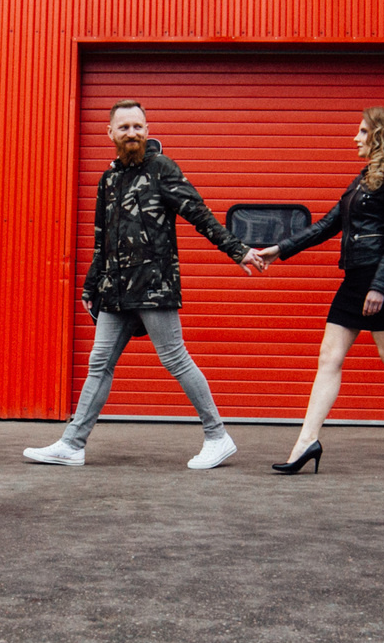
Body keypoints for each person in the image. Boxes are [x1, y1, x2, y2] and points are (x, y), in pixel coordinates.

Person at [24, 100, 253, 470]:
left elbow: (198, 212)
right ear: (111, 134)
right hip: (115, 291)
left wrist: (237, 250)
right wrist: (90, 286)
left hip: (153, 284)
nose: (133, 133)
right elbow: (103, 239)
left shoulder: (162, 169)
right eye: (125, 127)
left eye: (138, 127)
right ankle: (72, 444)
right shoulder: (109, 180)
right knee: (99, 363)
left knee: (175, 358)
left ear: (147, 130)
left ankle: (217, 436)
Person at [241, 106, 384, 476]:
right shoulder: (364, 178)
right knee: (329, 358)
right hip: (355, 278)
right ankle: (306, 442)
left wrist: (380, 286)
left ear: (382, 135)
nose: (356, 138)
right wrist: (280, 250)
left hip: (375, 279)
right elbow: (327, 224)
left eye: (363, 132)